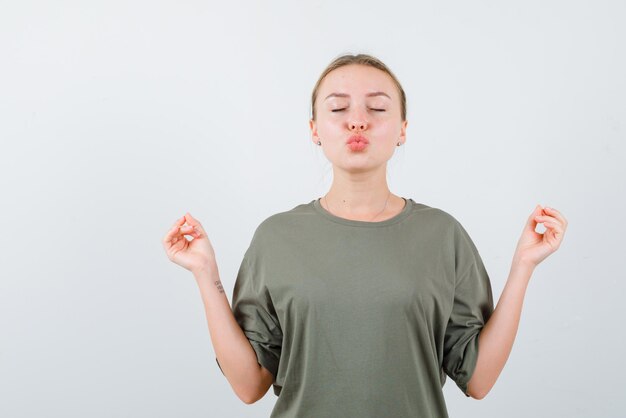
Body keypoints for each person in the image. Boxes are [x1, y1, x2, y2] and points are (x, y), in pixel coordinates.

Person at [162, 53, 568, 417]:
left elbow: (478, 380)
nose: (358, 119)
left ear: (402, 129)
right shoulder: (276, 237)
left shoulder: (443, 235)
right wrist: (205, 274)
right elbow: (249, 385)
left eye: (377, 107)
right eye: (338, 107)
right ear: (315, 129)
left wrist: (523, 267)